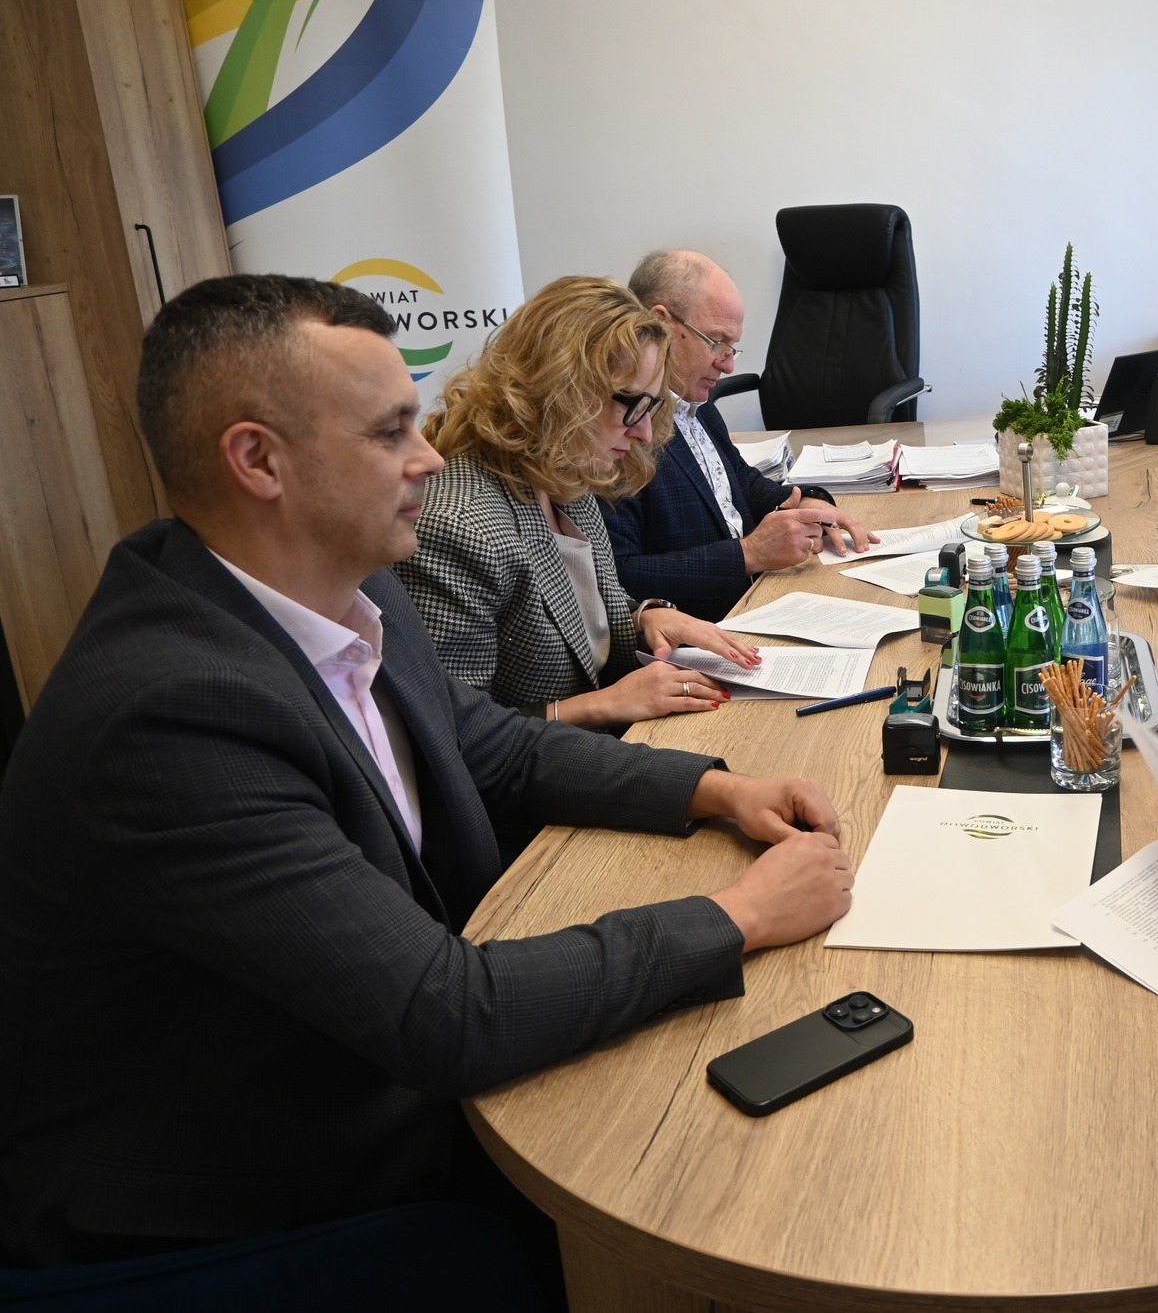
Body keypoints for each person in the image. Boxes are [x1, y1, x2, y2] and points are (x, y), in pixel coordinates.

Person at [0, 274, 854, 1270]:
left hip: (363, 1081)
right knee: (692, 1190)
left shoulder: (349, 587)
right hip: (235, 1209)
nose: (431, 457)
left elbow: (496, 745)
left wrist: (716, 790)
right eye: (389, 431)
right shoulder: (172, 715)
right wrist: (742, 914)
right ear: (258, 460)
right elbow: (443, 1015)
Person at [396, 276, 758, 731]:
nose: (645, 432)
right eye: (632, 405)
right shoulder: (459, 526)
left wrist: (645, 616)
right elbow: (452, 732)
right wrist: (602, 705)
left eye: (651, 408)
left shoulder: (568, 474)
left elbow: (583, 614)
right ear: (559, 389)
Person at [603, 250, 875, 621]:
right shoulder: (618, 433)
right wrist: (748, 555)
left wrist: (804, 503)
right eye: (716, 341)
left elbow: (740, 482)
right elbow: (619, 576)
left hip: (760, 599)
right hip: (706, 628)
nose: (728, 364)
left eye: (732, 346)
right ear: (660, 323)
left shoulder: (697, 406)